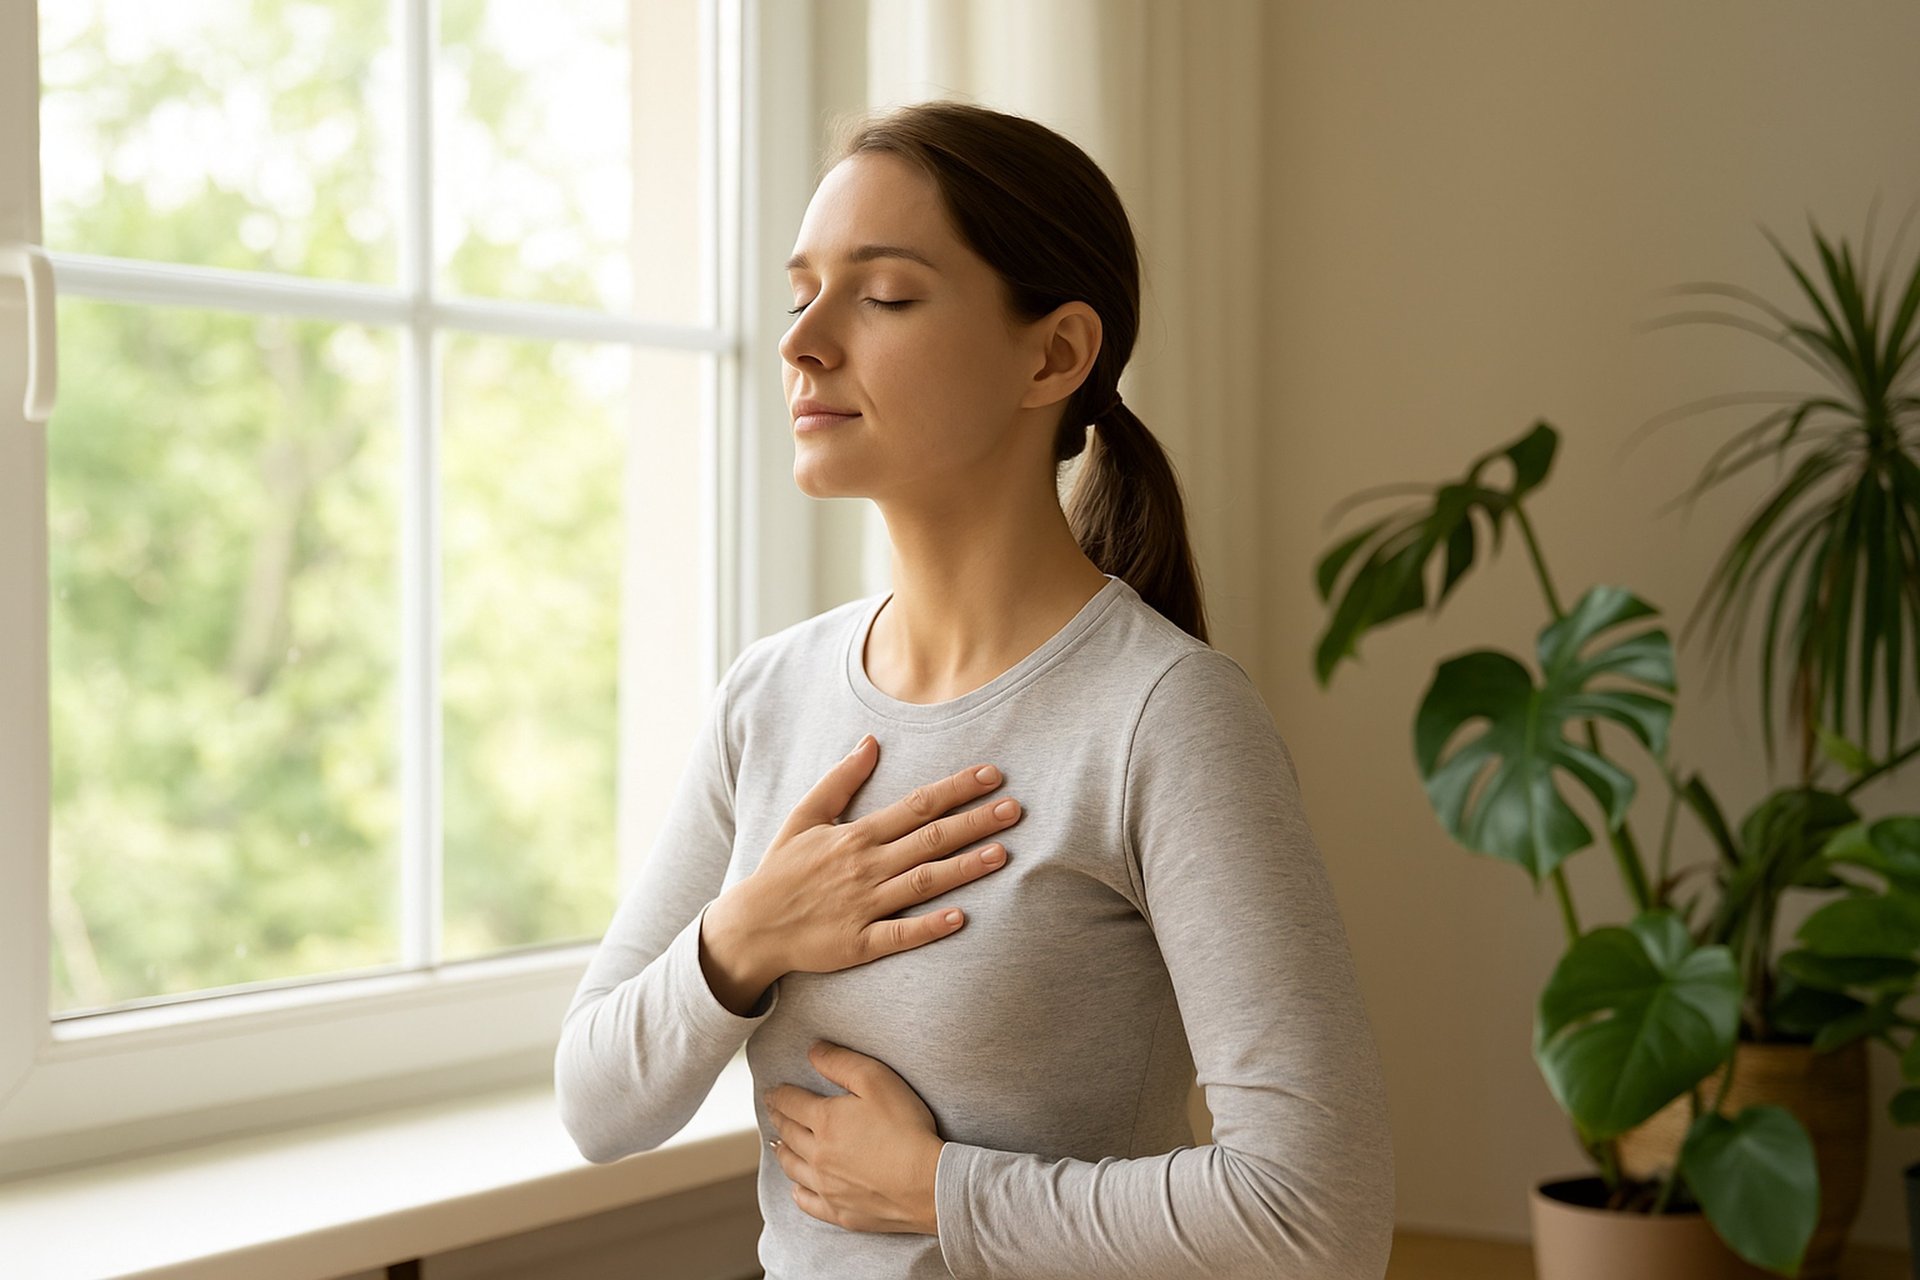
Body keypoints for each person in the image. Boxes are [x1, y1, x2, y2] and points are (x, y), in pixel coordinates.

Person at [554, 99, 1395, 1279]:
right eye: (801, 294)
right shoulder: (769, 696)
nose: (804, 342)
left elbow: (1317, 1215)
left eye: (883, 295)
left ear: (1053, 354)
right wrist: (747, 931)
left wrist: (940, 1188)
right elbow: (596, 1101)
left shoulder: (1165, 716)